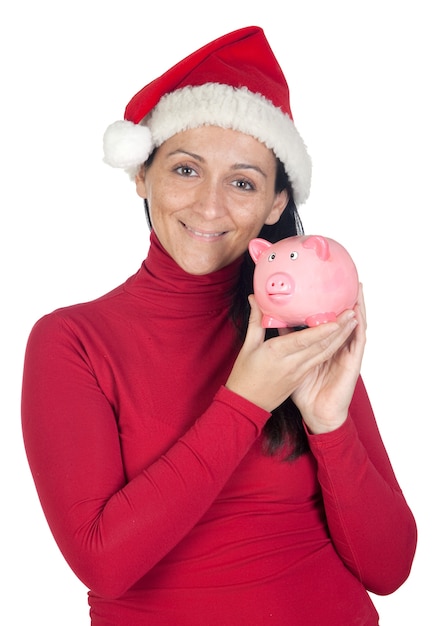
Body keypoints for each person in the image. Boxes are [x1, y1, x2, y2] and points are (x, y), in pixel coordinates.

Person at [21, 25, 417, 626]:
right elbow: (103, 562)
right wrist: (245, 401)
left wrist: (329, 425)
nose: (209, 206)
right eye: (185, 170)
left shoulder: (297, 332)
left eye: (241, 182)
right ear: (141, 176)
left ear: (276, 204)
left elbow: (390, 569)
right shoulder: (72, 342)